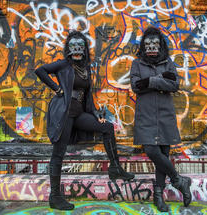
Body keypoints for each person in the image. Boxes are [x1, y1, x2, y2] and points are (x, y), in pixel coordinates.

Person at [35, 31, 134, 211]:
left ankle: (115, 167)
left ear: (84, 49)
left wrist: (96, 113)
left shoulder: (85, 68)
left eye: (80, 47)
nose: (77, 50)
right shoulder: (64, 64)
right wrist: (57, 89)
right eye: (73, 47)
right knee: (58, 153)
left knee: (107, 127)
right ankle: (55, 197)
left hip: (79, 113)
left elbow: (87, 96)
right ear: (69, 49)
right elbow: (40, 71)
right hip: (64, 114)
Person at [130, 27, 192, 212]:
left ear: (160, 45)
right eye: (147, 43)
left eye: (154, 43)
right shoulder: (136, 63)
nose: (151, 46)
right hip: (146, 116)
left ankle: (158, 197)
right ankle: (179, 181)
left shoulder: (168, 62)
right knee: (151, 150)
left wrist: (150, 81)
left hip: (165, 115)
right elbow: (136, 86)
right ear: (143, 46)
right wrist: (160, 80)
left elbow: (174, 84)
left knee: (163, 156)